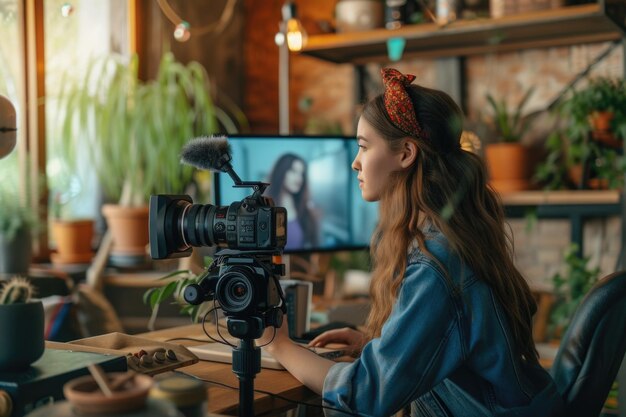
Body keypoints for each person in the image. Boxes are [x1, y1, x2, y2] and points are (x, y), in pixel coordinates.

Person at [259, 68, 564, 416]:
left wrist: (279, 344)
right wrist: (374, 346)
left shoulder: (436, 264)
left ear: (406, 153)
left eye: (363, 146)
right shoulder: (453, 239)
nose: (356, 163)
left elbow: (367, 396)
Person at [266, 153, 319, 250]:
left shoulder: (306, 211)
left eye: (301, 174)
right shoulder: (264, 207)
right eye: (293, 171)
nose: (299, 179)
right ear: (281, 172)